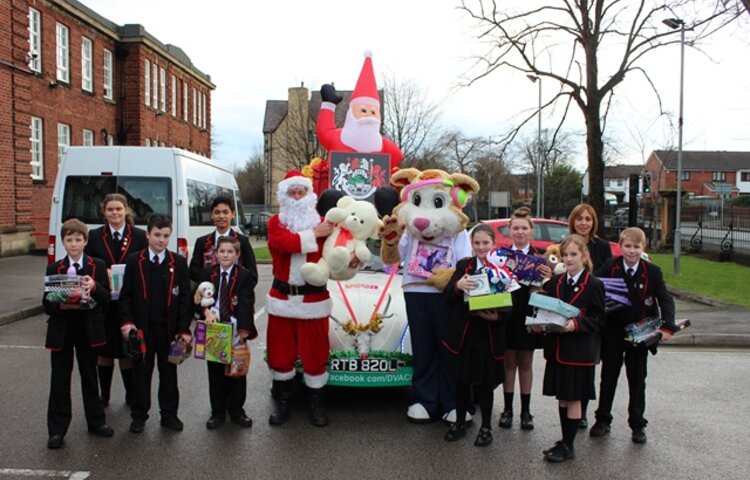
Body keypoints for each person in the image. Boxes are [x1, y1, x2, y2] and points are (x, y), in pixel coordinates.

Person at [591, 227, 677, 444]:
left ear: (643, 248)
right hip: (613, 332)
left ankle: (637, 424)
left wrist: (668, 326)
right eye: (628, 246)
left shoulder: (653, 271)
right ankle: (603, 420)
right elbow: (593, 285)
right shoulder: (611, 266)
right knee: (608, 377)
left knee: (637, 380)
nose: (632, 251)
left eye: (636, 247)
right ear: (620, 247)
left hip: (639, 335)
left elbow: (665, 299)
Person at [265, 171, 334, 427]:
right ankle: (282, 403)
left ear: (309, 195)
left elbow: (337, 249)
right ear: (284, 195)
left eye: (301, 191)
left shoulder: (325, 223)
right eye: (292, 192)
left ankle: (316, 403)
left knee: (315, 354)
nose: (296, 196)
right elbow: (285, 243)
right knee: (280, 354)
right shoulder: (276, 223)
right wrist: (314, 234)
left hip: (314, 302)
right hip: (282, 299)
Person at [44, 219, 114, 449]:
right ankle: (57, 430)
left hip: (88, 330)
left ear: (85, 241)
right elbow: (47, 304)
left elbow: (106, 300)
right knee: (60, 380)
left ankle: (96, 422)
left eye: (78, 240)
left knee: (89, 377)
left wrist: (94, 286)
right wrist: (61, 306)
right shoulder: (54, 269)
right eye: (69, 240)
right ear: (63, 241)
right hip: (62, 330)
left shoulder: (98, 265)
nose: (73, 244)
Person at [119, 214, 192, 434]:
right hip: (143, 329)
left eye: (166, 236)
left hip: (169, 331)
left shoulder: (177, 262)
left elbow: (186, 298)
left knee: (169, 373)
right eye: (157, 235)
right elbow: (125, 296)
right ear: (148, 234)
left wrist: (183, 329)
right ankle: (139, 416)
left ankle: (169, 415)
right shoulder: (134, 261)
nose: (161, 240)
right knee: (141, 373)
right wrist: (127, 322)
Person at [538, 234, 604, 463]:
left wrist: (576, 324)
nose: (568, 259)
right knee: (563, 398)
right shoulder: (556, 282)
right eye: (565, 255)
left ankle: (569, 445)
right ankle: (564, 440)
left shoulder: (594, 284)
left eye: (573, 254)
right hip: (558, 348)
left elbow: (598, 319)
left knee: (574, 398)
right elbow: (548, 311)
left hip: (578, 351)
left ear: (584, 257)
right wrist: (539, 324)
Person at [442, 224, 508, 447]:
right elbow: (448, 294)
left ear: (494, 244)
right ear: (471, 245)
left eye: (485, 243)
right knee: (461, 381)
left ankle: (486, 427)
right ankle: (460, 422)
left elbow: (512, 303)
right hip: (465, 333)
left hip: (488, 335)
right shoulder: (464, 266)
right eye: (477, 243)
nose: (481, 247)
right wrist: (458, 285)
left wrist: (497, 317)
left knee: (485, 384)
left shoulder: (502, 268)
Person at [85, 193, 148, 408]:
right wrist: (104, 272)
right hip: (104, 302)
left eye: (118, 209)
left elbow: (143, 265)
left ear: (126, 210)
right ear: (104, 212)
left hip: (128, 302)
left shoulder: (139, 236)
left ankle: (131, 395)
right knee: (105, 352)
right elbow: (88, 264)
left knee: (126, 350)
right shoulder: (94, 236)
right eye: (110, 209)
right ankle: (104, 395)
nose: (115, 213)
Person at [197, 236, 258, 430]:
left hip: (235, 328)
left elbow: (247, 302)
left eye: (230, 252)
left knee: (237, 373)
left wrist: (243, 330)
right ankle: (217, 412)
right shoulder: (208, 273)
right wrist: (204, 311)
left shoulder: (244, 275)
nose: (225, 255)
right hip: (214, 330)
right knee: (215, 373)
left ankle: (237, 411)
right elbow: (198, 297)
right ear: (216, 253)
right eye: (222, 251)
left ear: (237, 254)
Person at [499, 207, 550, 430]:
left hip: (529, 314)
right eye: (516, 228)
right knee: (509, 362)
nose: (520, 232)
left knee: (526, 363)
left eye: (524, 228)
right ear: (510, 230)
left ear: (531, 231)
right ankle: (507, 409)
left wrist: (548, 278)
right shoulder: (500, 256)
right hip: (508, 314)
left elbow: (548, 291)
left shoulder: (540, 258)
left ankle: (526, 411)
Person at [317, 52, 403, 176]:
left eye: (373, 112)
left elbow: (397, 155)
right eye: (363, 110)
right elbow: (324, 131)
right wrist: (328, 104)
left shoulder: (384, 146)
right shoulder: (338, 137)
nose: (368, 115)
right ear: (351, 114)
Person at [567, 202, 612, 428]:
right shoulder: (564, 245)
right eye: (579, 218)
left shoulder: (602, 247)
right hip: (567, 314)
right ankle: (570, 407)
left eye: (588, 219)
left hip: (591, 315)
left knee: (588, 363)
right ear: (572, 220)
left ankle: (582, 410)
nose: (583, 223)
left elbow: (606, 274)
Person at [189, 195, 258, 283]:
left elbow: (252, 275)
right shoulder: (202, 242)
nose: (221, 216)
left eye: (225, 212)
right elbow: (193, 272)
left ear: (233, 214)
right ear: (212, 215)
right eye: (217, 212)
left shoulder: (242, 241)